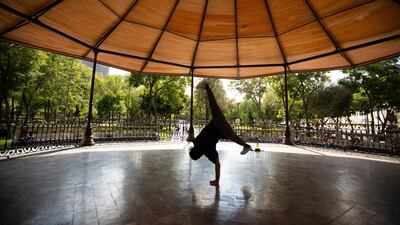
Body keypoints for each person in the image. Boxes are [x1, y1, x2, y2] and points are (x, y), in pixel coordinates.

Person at [189, 83, 252, 186]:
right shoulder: (197, 142)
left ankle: (246, 146)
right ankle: (207, 87)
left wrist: (217, 181)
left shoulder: (208, 152)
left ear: (200, 155)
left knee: (234, 137)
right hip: (217, 122)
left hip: (223, 131)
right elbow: (193, 143)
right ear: (194, 149)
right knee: (213, 105)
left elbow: (217, 165)